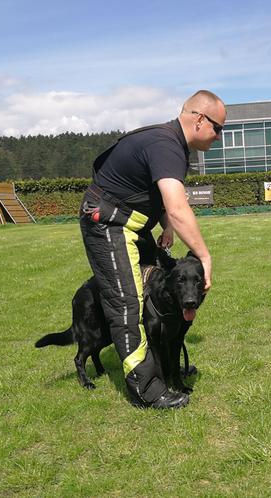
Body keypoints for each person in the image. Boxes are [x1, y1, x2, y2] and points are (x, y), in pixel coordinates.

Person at [79, 90, 224, 409]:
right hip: (107, 223)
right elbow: (177, 206)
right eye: (218, 129)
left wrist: (167, 227)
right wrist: (204, 255)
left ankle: (163, 367)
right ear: (200, 119)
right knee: (126, 304)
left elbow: (149, 189)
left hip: (128, 221)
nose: (218, 137)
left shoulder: (170, 143)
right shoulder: (166, 144)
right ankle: (146, 390)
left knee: (156, 293)